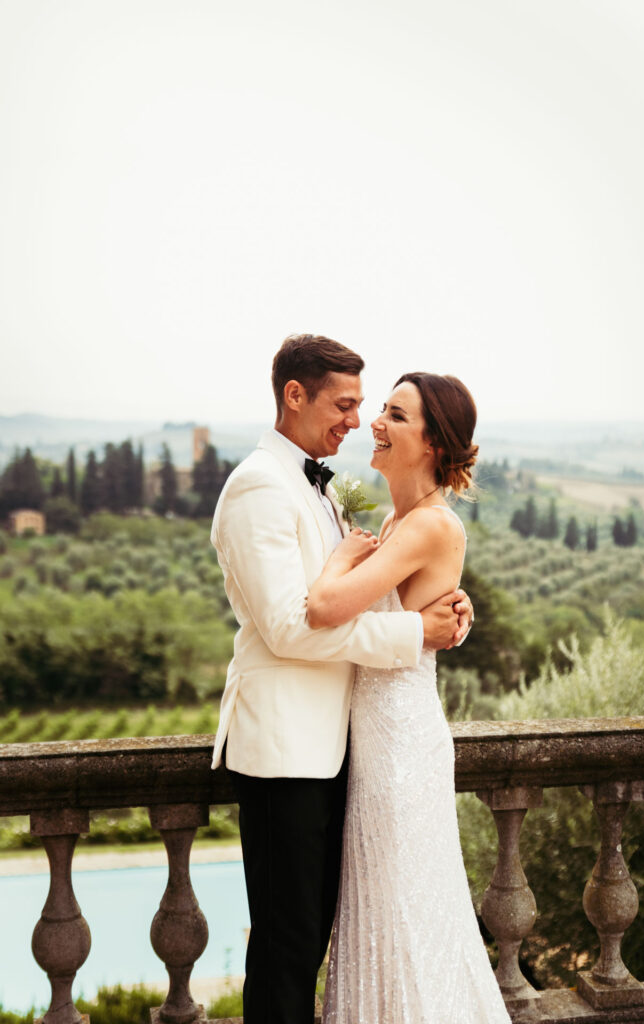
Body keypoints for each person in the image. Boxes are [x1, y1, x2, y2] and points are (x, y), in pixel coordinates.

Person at [210, 335, 474, 1024]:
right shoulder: (260, 486)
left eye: (376, 409)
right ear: (294, 395)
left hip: (344, 747)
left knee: (334, 933)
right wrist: (419, 632)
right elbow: (292, 627)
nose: (358, 422)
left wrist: (446, 610)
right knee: (290, 944)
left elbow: (358, 594)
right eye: (348, 404)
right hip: (287, 749)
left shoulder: (326, 489)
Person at [307, 372, 511, 1024]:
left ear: (431, 443)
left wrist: (340, 559)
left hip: (400, 747)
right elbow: (412, 611)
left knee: (403, 910)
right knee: (381, 907)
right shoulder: (399, 520)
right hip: (376, 742)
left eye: (394, 414)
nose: (375, 422)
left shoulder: (429, 526)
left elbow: (327, 607)